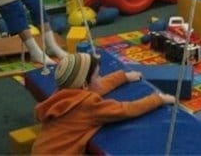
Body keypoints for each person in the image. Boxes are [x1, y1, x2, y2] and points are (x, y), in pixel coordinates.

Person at [32, 53, 176, 155]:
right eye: (97, 76)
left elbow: (97, 86)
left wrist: (123, 77)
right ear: (84, 85)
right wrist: (158, 99)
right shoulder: (88, 104)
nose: (100, 78)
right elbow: (126, 110)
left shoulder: (62, 94)